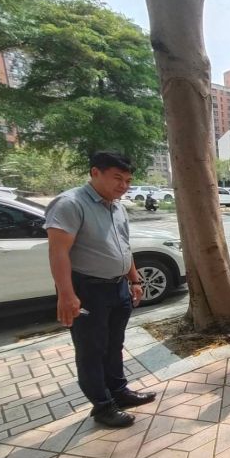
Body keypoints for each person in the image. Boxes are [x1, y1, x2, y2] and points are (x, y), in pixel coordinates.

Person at [45, 151, 156, 428]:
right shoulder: (70, 204)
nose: (124, 185)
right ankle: (102, 405)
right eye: (117, 178)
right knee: (91, 350)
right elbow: (58, 253)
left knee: (113, 345)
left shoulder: (116, 206)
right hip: (88, 290)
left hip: (118, 288)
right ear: (95, 173)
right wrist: (67, 294)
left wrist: (134, 280)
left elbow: (124, 247)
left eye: (128, 180)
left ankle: (119, 392)